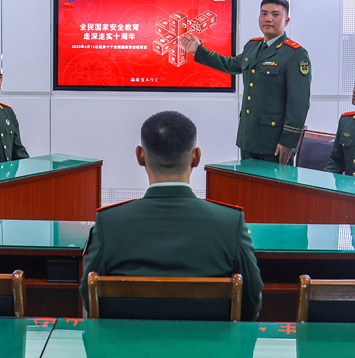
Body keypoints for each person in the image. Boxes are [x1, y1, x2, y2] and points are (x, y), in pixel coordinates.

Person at [80, 110, 263, 321]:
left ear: (140, 155)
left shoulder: (109, 223)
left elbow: (89, 298)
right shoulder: (230, 222)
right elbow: (251, 301)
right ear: (196, 157)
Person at [182, 0, 311, 164]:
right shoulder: (252, 47)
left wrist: (289, 141)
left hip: (275, 142)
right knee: (248, 188)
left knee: (272, 189)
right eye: (264, 13)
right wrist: (199, 51)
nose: (268, 19)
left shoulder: (295, 54)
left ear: (286, 21)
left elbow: (299, 103)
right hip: (249, 136)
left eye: (275, 14)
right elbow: (230, 65)